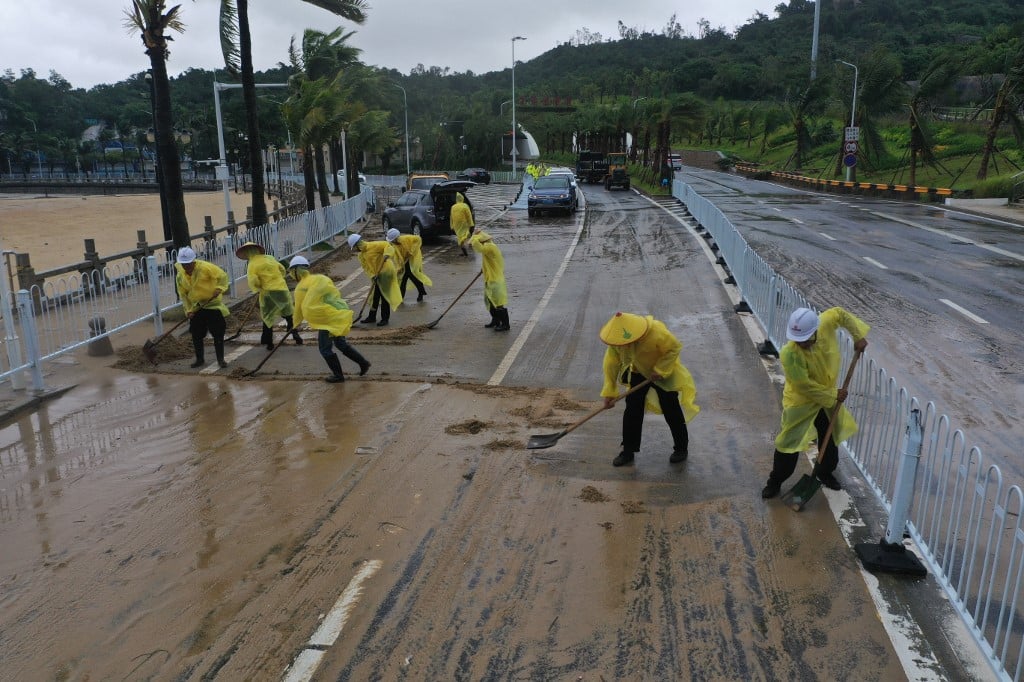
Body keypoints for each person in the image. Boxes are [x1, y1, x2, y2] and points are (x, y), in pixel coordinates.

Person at [761, 307, 870, 499]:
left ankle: (824, 472)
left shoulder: (825, 322)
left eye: (805, 339)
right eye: (798, 340)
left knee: (829, 434)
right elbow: (804, 385)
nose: (801, 343)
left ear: (815, 331)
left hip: (828, 394)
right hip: (801, 401)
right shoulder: (790, 353)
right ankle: (775, 481)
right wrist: (833, 395)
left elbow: (841, 313)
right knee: (789, 443)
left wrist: (857, 336)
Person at [598, 312, 700, 467]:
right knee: (632, 410)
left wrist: (660, 370)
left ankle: (681, 448)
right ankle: (628, 451)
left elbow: (674, 348)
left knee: (671, 408)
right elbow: (611, 365)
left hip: (662, 372)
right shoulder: (616, 341)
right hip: (638, 372)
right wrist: (610, 392)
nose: (621, 347)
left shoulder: (656, 331)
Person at [288, 255, 371, 383]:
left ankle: (338, 375)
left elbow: (299, 310)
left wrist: (294, 326)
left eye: (291, 272)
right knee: (340, 343)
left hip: (326, 319)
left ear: (294, 271)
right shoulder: (320, 278)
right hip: (337, 313)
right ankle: (363, 363)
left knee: (325, 349)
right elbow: (332, 295)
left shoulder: (301, 287)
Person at [235, 241, 302, 351]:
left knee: (267, 315)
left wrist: (259, 287)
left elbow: (254, 280)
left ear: (248, 253)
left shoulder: (252, 264)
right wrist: (278, 279)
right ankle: (296, 335)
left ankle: (269, 342)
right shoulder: (270, 258)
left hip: (267, 292)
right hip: (281, 289)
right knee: (288, 312)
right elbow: (282, 269)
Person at [174, 246, 230, 369]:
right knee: (196, 334)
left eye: (188, 264)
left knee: (218, 333)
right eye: (183, 265)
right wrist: (188, 310)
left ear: (193, 261)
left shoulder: (206, 267)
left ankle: (221, 360)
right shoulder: (180, 276)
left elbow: (223, 276)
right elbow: (183, 295)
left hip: (212, 305)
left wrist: (219, 288)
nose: (186, 267)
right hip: (196, 307)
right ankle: (199, 359)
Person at [347, 233, 402, 326]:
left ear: (358, 244)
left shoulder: (374, 245)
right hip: (376, 275)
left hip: (386, 272)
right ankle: (372, 317)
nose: (356, 250)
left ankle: (385, 318)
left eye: (355, 247)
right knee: (375, 296)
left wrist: (387, 254)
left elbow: (388, 245)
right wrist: (372, 275)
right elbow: (366, 268)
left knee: (384, 295)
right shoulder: (361, 255)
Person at [468, 228, 510, 331]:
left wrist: (474, 236)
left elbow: (477, 247)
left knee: (498, 302)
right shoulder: (488, 247)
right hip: (490, 278)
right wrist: (484, 268)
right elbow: (489, 260)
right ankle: (495, 320)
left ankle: (505, 324)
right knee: (491, 301)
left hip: (495, 280)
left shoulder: (490, 247)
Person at [385, 228, 432, 302]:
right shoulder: (394, 244)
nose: (391, 241)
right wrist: (399, 266)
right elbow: (397, 256)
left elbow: (418, 239)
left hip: (413, 259)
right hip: (404, 261)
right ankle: (405, 296)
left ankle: (419, 292)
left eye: (392, 240)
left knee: (411, 276)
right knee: (403, 278)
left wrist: (412, 251)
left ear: (396, 238)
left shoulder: (406, 238)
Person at [450, 192, 475, 257]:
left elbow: (451, 217)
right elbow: (469, 216)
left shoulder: (453, 207)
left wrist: (452, 225)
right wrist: (471, 224)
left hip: (456, 225)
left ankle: (463, 249)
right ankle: (464, 246)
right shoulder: (465, 206)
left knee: (459, 236)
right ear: (462, 198)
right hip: (464, 223)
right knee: (465, 234)